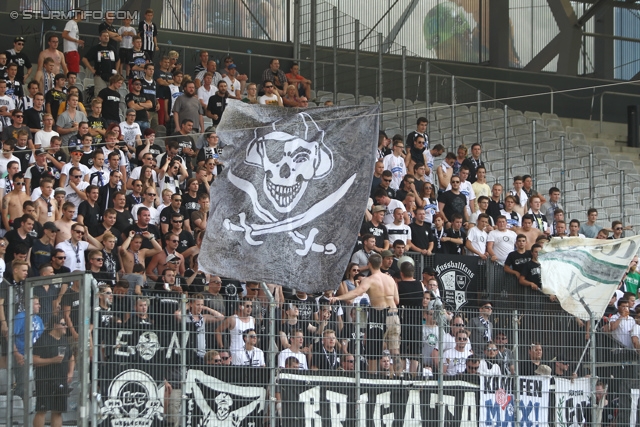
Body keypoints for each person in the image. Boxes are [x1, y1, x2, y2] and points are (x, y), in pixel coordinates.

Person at [331, 253, 400, 373]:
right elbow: (397, 300)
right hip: (394, 315)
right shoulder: (390, 279)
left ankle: (371, 380)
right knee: (395, 351)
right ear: (381, 263)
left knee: (373, 352)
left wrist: (338, 298)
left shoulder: (370, 280)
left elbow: (356, 293)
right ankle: (400, 377)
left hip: (379, 316)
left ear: (369, 264)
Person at [32, 314, 75, 427]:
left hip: (60, 379)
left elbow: (71, 357)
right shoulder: (43, 340)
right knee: (42, 410)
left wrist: (70, 373)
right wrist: (52, 360)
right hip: (45, 380)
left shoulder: (64, 341)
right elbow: (34, 360)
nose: (66, 326)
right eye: (63, 324)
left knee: (58, 411)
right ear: (55, 325)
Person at [82, 30, 119, 95]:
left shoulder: (112, 48)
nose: (106, 37)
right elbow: (84, 59)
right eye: (104, 36)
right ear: (100, 38)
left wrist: (116, 71)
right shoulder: (95, 48)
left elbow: (118, 60)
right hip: (99, 75)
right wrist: (92, 70)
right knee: (99, 95)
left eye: (107, 36)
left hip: (111, 76)